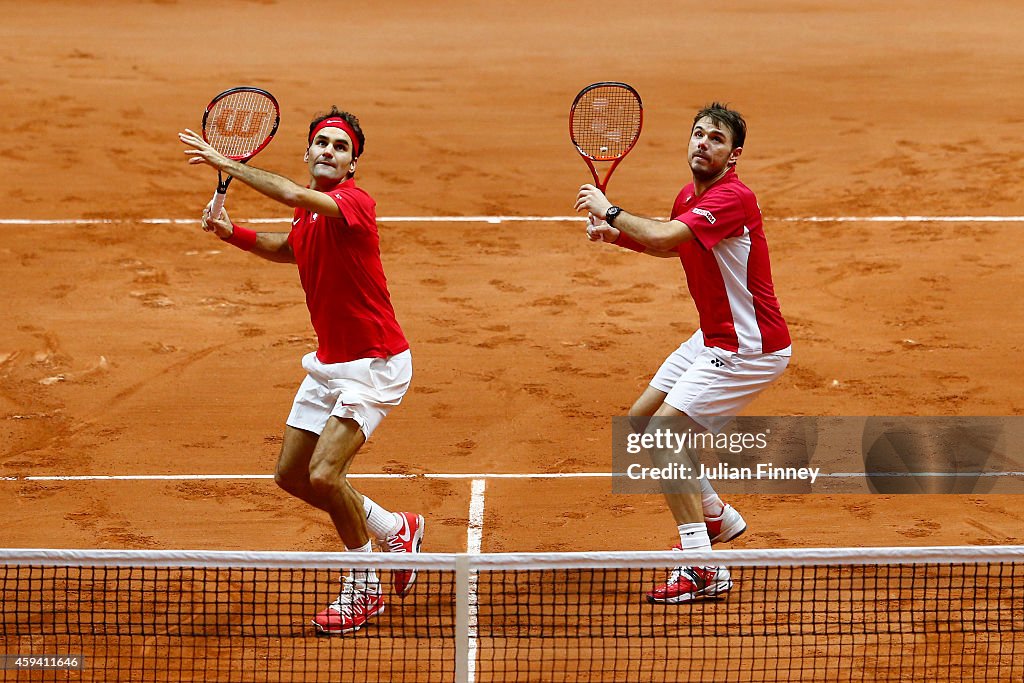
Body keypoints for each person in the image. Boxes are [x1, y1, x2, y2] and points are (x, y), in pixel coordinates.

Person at [178, 107, 423, 634]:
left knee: (324, 474)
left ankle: (364, 587)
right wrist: (232, 233)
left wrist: (227, 164)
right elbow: (292, 248)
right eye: (323, 144)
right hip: (330, 363)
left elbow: (291, 194)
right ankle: (394, 527)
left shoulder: (352, 203)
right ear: (309, 152)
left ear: (352, 163)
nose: (330, 152)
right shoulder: (310, 216)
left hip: (375, 364)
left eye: (341, 147)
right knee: (291, 475)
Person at [574, 102, 791, 604]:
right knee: (642, 419)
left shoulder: (734, 197)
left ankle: (701, 564)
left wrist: (609, 209)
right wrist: (616, 237)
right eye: (698, 134)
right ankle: (714, 513)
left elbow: (666, 233)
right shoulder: (689, 196)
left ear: (733, 155)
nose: (702, 144)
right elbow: (671, 246)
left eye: (716, 139)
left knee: (667, 434)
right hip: (714, 334)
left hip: (749, 345)